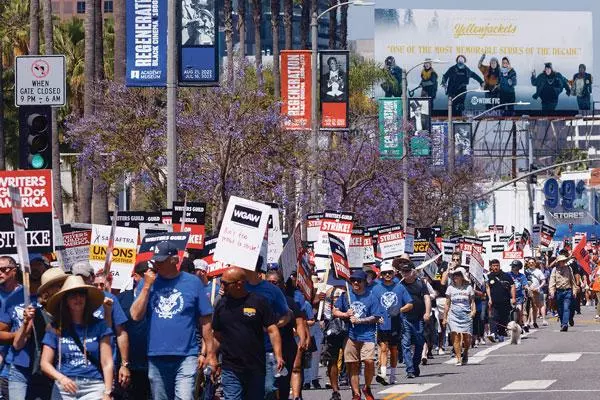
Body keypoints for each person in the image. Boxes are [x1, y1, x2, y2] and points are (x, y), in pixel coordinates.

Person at [130, 240, 216, 400]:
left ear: (175, 260)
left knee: (184, 397)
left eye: (161, 260)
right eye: (156, 260)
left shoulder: (192, 283)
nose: (157, 264)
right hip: (156, 355)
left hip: (186, 355)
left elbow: (205, 321)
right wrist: (147, 286)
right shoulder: (146, 283)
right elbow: (135, 315)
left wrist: (210, 353)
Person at [211, 267, 283, 400]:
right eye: (221, 282)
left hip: (255, 366)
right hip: (230, 367)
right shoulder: (221, 305)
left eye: (226, 283)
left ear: (239, 284)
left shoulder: (259, 302)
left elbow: (272, 330)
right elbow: (216, 335)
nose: (222, 286)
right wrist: (212, 357)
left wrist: (278, 355)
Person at [40, 275, 113, 400]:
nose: (78, 298)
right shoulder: (55, 327)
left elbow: (107, 362)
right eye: (73, 295)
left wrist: (107, 392)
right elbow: (45, 363)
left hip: (94, 386)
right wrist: (61, 378)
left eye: (81, 294)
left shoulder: (100, 326)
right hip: (64, 387)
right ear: (66, 300)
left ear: (86, 298)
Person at [72, 262, 131, 392]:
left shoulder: (109, 299)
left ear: (91, 277)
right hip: (78, 367)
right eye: (77, 277)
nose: (82, 280)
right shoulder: (70, 300)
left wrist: (124, 364)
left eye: (85, 277)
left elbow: (121, 333)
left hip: (105, 365)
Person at [0, 256, 51, 399]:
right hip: (18, 364)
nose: (34, 268)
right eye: (30, 265)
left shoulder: (54, 299)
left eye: (37, 264)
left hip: (44, 367)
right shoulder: (13, 298)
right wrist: (21, 330)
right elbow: (13, 340)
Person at [243, 257, 291, 399]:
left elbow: (287, 314)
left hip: (266, 350)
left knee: (268, 388)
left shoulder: (271, 290)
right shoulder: (237, 288)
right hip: (242, 351)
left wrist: (273, 327)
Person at [333, 270, 382, 400]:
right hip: (350, 334)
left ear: (364, 282)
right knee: (352, 364)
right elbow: (335, 310)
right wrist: (345, 315)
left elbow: (376, 316)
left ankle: (367, 386)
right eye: (353, 280)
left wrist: (360, 320)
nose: (355, 283)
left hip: (368, 334)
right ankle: (356, 393)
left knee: (369, 361)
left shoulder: (371, 297)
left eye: (359, 280)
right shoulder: (345, 296)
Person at [265, 270, 307, 400]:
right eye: (268, 282)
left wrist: (302, 340)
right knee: (268, 386)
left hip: (286, 348)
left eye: (274, 282)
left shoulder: (288, 302)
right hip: (266, 349)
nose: (271, 285)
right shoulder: (260, 301)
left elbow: (299, 323)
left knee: (283, 384)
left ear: (282, 284)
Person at [371, 261, 413, 385]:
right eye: (385, 273)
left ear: (393, 273)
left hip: (396, 322)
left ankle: (393, 375)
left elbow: (410, 303)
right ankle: (383, 373)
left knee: (394, 349)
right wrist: (376, 316)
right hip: (382, 323)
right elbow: (372, 304)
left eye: (390, 272)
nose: (387, 275)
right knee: (383, 348)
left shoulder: (400, 287)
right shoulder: (376, 288)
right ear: (381, 275)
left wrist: (399, 310)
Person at [116, 261, 151, 400]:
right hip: (129, 365)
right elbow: (117, 331)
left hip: (153, 365)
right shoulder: (121, 299)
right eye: (146, 276)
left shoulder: (159, 298)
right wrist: (123, 364)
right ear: (136, 276)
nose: (151, 279)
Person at [398, 261, 431, 379]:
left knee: (419, 343)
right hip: (405, 318)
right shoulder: (399, 285)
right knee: (405, 344)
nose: (405, 273)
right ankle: (410, 369)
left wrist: (427, 312)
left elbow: (427, 298)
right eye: (403, 271)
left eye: (407, 271)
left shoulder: (420, 283)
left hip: (419, 318)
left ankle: (415, 364)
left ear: (413, 271)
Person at [443, 268, 475, 366]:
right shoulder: (450, 288)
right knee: (455, 336)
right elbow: (447, 303)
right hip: (454, 315)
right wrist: (445, 317)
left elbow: (472, 302)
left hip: (466, 314)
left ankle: (465, 352)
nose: (455, 277)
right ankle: (458, 358)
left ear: (462, 277)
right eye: (454, 275)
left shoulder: (469, 288)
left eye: (458, 275)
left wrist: (473, 311)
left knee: (467, 338)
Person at [0, 256, 21, 399]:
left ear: (14, 271)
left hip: (15, 362)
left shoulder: (24, 294)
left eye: (3, 269)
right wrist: (18, 334)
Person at [321, 286, 347, 400]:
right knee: (332, 360)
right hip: (332, 330)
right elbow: (326, 313)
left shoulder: (347, 288)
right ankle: (335, 391)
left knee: (350, 360)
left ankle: (349, 382)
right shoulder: (329, 290)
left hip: (347, 329)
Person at [486, 259, 516, 342]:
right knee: (493, 317)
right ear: (491, 267)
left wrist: (513, 298)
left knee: (503, 318)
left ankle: (501, 334)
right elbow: (487, 287)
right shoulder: (489, 276)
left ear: (499, 266)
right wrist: (489, 298)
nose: (495, 267)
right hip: (494, 302)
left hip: (505, 301)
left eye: (497, 265)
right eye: (494, 266)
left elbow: (512, 286)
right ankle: (493, 333)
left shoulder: (506, 275)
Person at [549, 254, 579, 332]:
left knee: (566, 308)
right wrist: (551, 291)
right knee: (560, 309)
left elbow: (572, 280)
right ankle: (562, 323)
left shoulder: (569, 268)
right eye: (561, 261)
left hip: (568, 291)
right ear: (558, 262)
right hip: (559, 291)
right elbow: (552, 281)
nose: (562, 262)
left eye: (563, 261)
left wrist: (574, 290)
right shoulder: (554, 270)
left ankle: (565, 324)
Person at [524, 258, 546, 329]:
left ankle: (534, 321)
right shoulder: (525, 272)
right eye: (529, 262)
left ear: (535, 263)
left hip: (536, 291)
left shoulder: (538, 271)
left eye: (532, 262)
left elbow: (543, 280)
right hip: (527, 291)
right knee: (528, 307)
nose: (531, 264)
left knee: (535, 307)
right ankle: (527, 322)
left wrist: (539, 287)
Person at [508, 260, 530, 331]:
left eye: (514, 266)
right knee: (508, 311)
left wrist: (527, 287)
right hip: (509, 296)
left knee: (520, 310)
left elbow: (525, 284)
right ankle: (508, 326)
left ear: (519, 267)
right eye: (512, 266)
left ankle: (520, 325)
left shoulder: (522, 276)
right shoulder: (508, 274)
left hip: (519, 297)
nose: (512, 267)